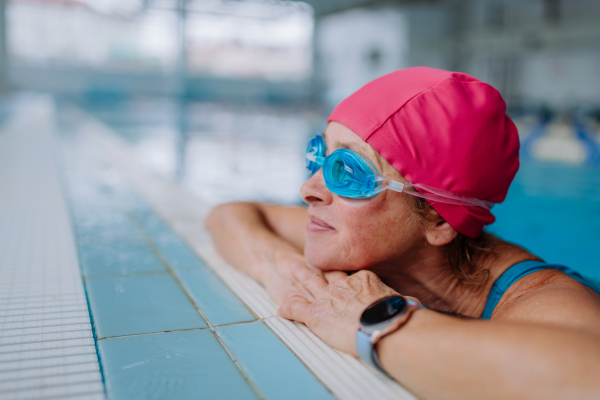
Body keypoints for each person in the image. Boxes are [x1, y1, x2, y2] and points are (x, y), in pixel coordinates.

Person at [205, 67, 600, 399]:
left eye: (347, 172)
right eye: (319, 156)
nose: (308, 189)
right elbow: (230, 214)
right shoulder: (366, 242)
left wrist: (375, 324)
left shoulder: (545, 299)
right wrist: (282, 272)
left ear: (439, 220)